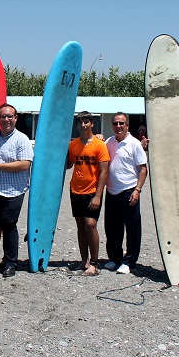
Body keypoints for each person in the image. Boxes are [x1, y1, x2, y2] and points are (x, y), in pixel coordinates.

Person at [0, 103, 33, 277]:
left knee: (9, 224)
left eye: (10, 116)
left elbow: (24, 164)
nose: (6, 119)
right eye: (3, 116)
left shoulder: (22, 139)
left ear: (16, 118)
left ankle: (10, 262)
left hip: (14, 190)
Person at [103, 112, 148, 274]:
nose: (118, 126)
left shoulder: (134, 144)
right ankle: (115, 258)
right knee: (112, 228)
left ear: (127, 125)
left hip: (129, 191)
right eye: (115, 123)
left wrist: (137, 190)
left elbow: (143, 170)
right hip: (111, 191)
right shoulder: (109, 142)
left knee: (132, 228)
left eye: (121, 123)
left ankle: (129, 261)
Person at [65, 111, 109, 276]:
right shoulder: (73, 144)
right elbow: (69, 165)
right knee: (80, 226)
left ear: (92, 124)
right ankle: (84, 260)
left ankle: (95, 263)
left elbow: (104, 172)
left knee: (90, 224)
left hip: (92, 192)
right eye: (80, 123)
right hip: (75, 190)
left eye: (86, 122)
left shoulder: (99, 145)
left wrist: (98, 195)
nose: (83, 125)